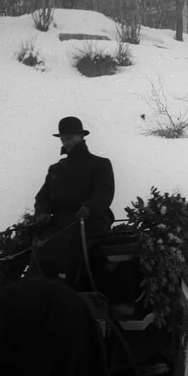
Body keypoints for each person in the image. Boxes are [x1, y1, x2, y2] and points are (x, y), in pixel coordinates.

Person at [32, 116, 115, 288]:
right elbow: (43, 197)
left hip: (91, 220)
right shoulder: (56, 169)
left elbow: (105, 194)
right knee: (35, 247)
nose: (66, 142)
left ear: (81, 137)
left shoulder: (100, 164)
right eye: (63, 139)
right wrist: (42, 213)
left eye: (69, 138)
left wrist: (88, 207)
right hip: (60, 223)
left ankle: (68, 288)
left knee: (64, 246)